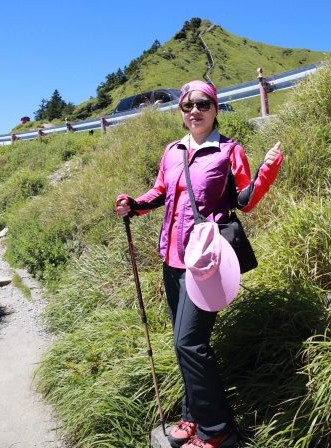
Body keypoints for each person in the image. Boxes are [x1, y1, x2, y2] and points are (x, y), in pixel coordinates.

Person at [115, 80, 283, 448]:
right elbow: (160, 192)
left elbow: (244, 199)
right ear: (181, 110)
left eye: (203, 104)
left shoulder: (228, 150)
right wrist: (134, 202)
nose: (194, 111)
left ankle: (218, 431)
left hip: (206, 262)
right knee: (181, 343)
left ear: (215, 109)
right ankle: (193, 416)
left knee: (190, 344)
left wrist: (266, 172)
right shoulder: (172, 151)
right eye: (187, 105)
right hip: (172, 260)